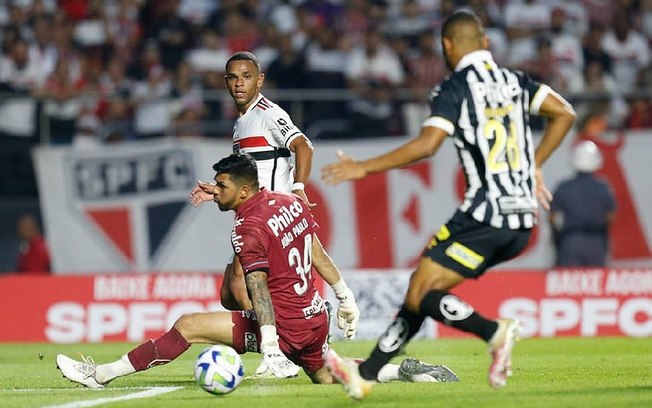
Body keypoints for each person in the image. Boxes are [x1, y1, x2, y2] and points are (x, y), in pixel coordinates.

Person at [321, 10, 576, 399]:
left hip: (484, 213)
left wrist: (363, 168)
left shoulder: (454, 88)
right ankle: (366, 375)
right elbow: (564, 112)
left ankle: (494, 332)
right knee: (419, 292)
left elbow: (427, 145)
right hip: (522, 220)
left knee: (421, 293)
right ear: (486, 42)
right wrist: (533, 166)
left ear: (447, 46)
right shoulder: (516, 81)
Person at [56, 154, 458, 387]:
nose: (218, 190)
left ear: (244, 191)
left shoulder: (247, 228)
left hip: (285, 325)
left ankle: (102, 375)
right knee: (324, 374)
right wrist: (344, 295)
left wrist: (268, 344)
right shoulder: (287, 202)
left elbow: (258, 287)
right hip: (315, 315)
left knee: (189, 324)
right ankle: (403, 373)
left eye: (222, 186)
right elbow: (315, 249)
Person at [189, 51, 360, 375]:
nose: (240, 83)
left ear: (260, 80)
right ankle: (310, 320)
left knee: (241, 287)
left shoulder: (267, 113)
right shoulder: (242, 123)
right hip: (262, 213)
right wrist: (217, 191)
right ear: (225, 81)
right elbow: (247, 177)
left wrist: (297, 187)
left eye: (247, 76)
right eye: (233, 77)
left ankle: (279, 348)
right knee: (229, 293)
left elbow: (303, 145)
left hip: (271, 214)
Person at [550, 140, 616, 266]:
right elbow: (611, 216)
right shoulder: (603, 187)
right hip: (596, 241)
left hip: (570, 241)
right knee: (595, 282)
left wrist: (558, 235)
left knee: (570, 282)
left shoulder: (564, 187)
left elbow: (553, 218)